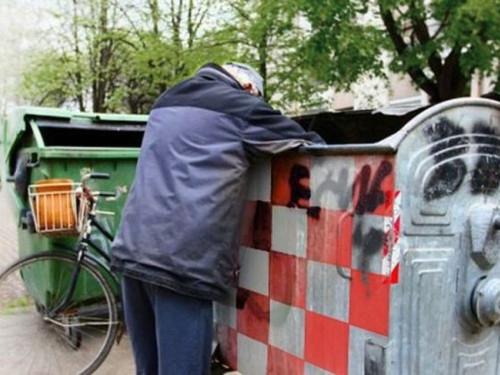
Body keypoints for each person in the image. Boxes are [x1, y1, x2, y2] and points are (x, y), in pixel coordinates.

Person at [110, 62, 324, 375]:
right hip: (182, 265)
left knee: (149, 370)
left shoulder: (168, 98)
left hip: (131, 251)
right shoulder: (243, 107)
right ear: (249, 88)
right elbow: (308, 142)